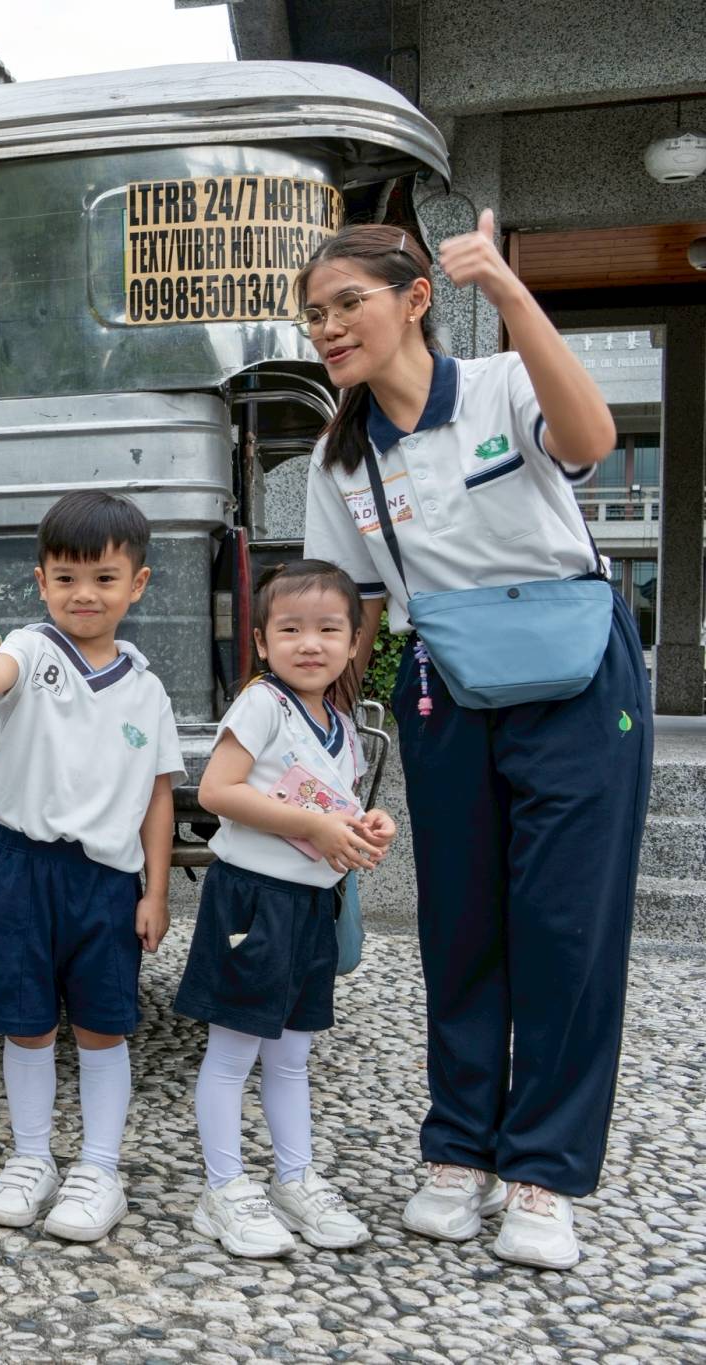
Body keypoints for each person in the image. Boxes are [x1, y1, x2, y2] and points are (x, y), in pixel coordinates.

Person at [297, 214, 646, 1271]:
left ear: (412, 300)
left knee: (564, 926)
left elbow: (588, 443)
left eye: (344, 303)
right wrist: (312, 754)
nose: (325, 327)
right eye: (311, 315)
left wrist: (502, 286)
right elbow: (348, 614)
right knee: (457, 924)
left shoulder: (498, 382)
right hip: (437, 678)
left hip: (577, 677)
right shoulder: (338, 457)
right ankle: (456, 1151)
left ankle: (541, 1172)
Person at [0, 491, 181, 1239]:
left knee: (103, 1025)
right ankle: (31, 1157)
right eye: (65, 577)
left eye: (102, 577)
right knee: (24, 1026)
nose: (83, 594)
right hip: (19, 865)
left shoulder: (149, 690)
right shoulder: (33, 649)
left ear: (138, 583)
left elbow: (159, 798)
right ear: (41, 582)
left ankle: (99, 1167)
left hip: (106, 880)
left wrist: (156, 889)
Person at [176, 561, 397, 1258]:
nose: (312, 642)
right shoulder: (262, 704)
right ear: (263, 643)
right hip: (254, 898)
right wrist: (319, 830)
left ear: (353, 642)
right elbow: (216, 790)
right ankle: (224, 1187)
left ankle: (294, 1177)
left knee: (292, 1053)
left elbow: (331, 805)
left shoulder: (341, 720)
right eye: (291, 629)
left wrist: (367, 825)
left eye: (330, 629)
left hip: (311, 905)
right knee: (233, 1049)